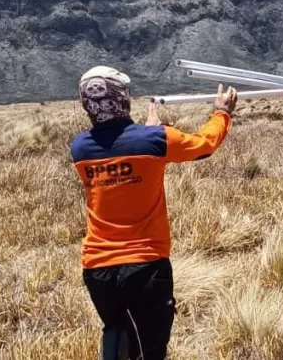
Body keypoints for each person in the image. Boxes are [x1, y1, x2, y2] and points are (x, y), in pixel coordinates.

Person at [71, 66, 238, 360]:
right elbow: (205, 144)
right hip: (145, 266)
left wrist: (150, 131)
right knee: (150, 350)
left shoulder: (80, 148)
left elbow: (121, 145)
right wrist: (221, 113)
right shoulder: (154, 141)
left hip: (97, 268)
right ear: (122, 98)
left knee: (116, 334)